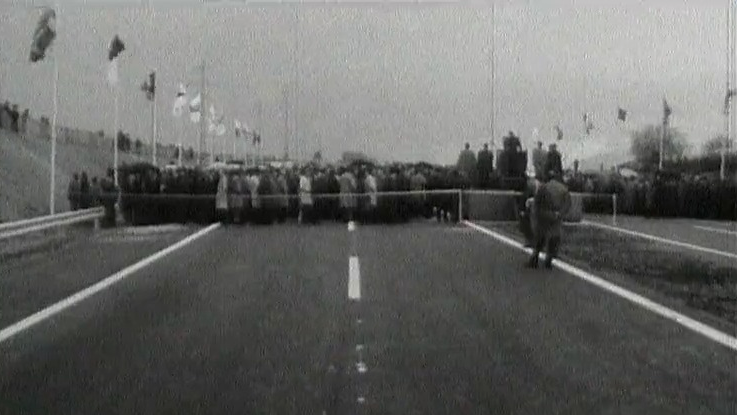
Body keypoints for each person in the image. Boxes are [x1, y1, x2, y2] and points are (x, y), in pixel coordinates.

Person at [528, 170, 572, 269]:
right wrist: (559, 214)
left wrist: (538, 214)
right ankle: (549, 259)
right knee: (554, 237)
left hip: (545, 216)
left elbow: (538, 203)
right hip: (556, 217)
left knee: (541, 237)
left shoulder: (543, 187)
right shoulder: (564, 189)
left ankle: (535, 257)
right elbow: (568, 204)